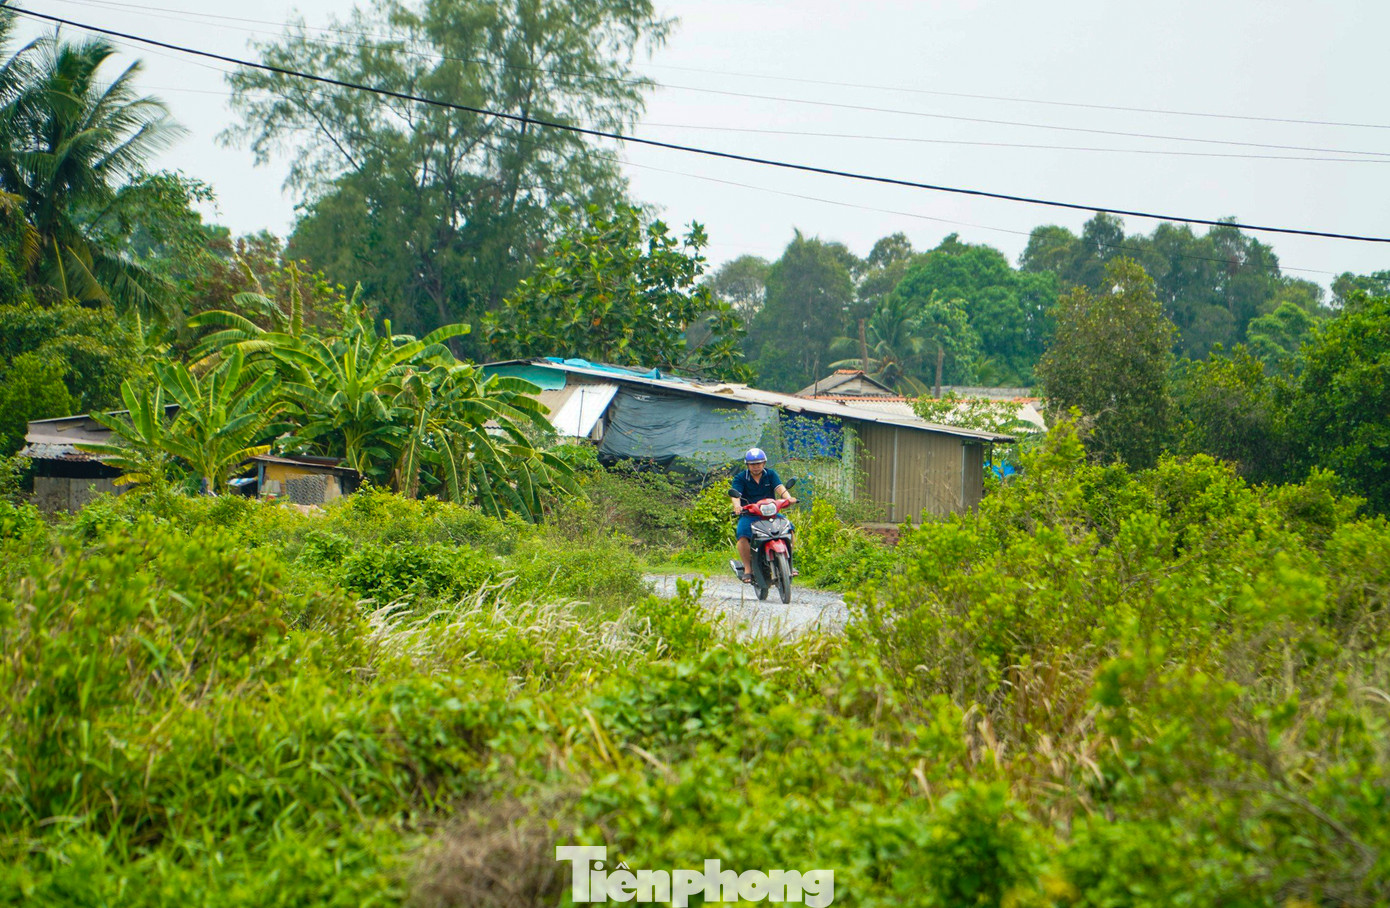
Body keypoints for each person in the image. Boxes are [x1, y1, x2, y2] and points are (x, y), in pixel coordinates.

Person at [729, 447, 797, 583]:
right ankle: (748, 569)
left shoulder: (771, 474)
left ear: (764, 463)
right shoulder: (741, 478)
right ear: (747, 465)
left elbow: (779, 488)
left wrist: (788, 498)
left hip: (771, 513)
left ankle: (788, 562)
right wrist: (737, 506)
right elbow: (736, 493)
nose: (756, 467)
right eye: (753, 464)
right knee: (742, 535)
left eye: (759, 463)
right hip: (750, 514)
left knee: (790, 528)